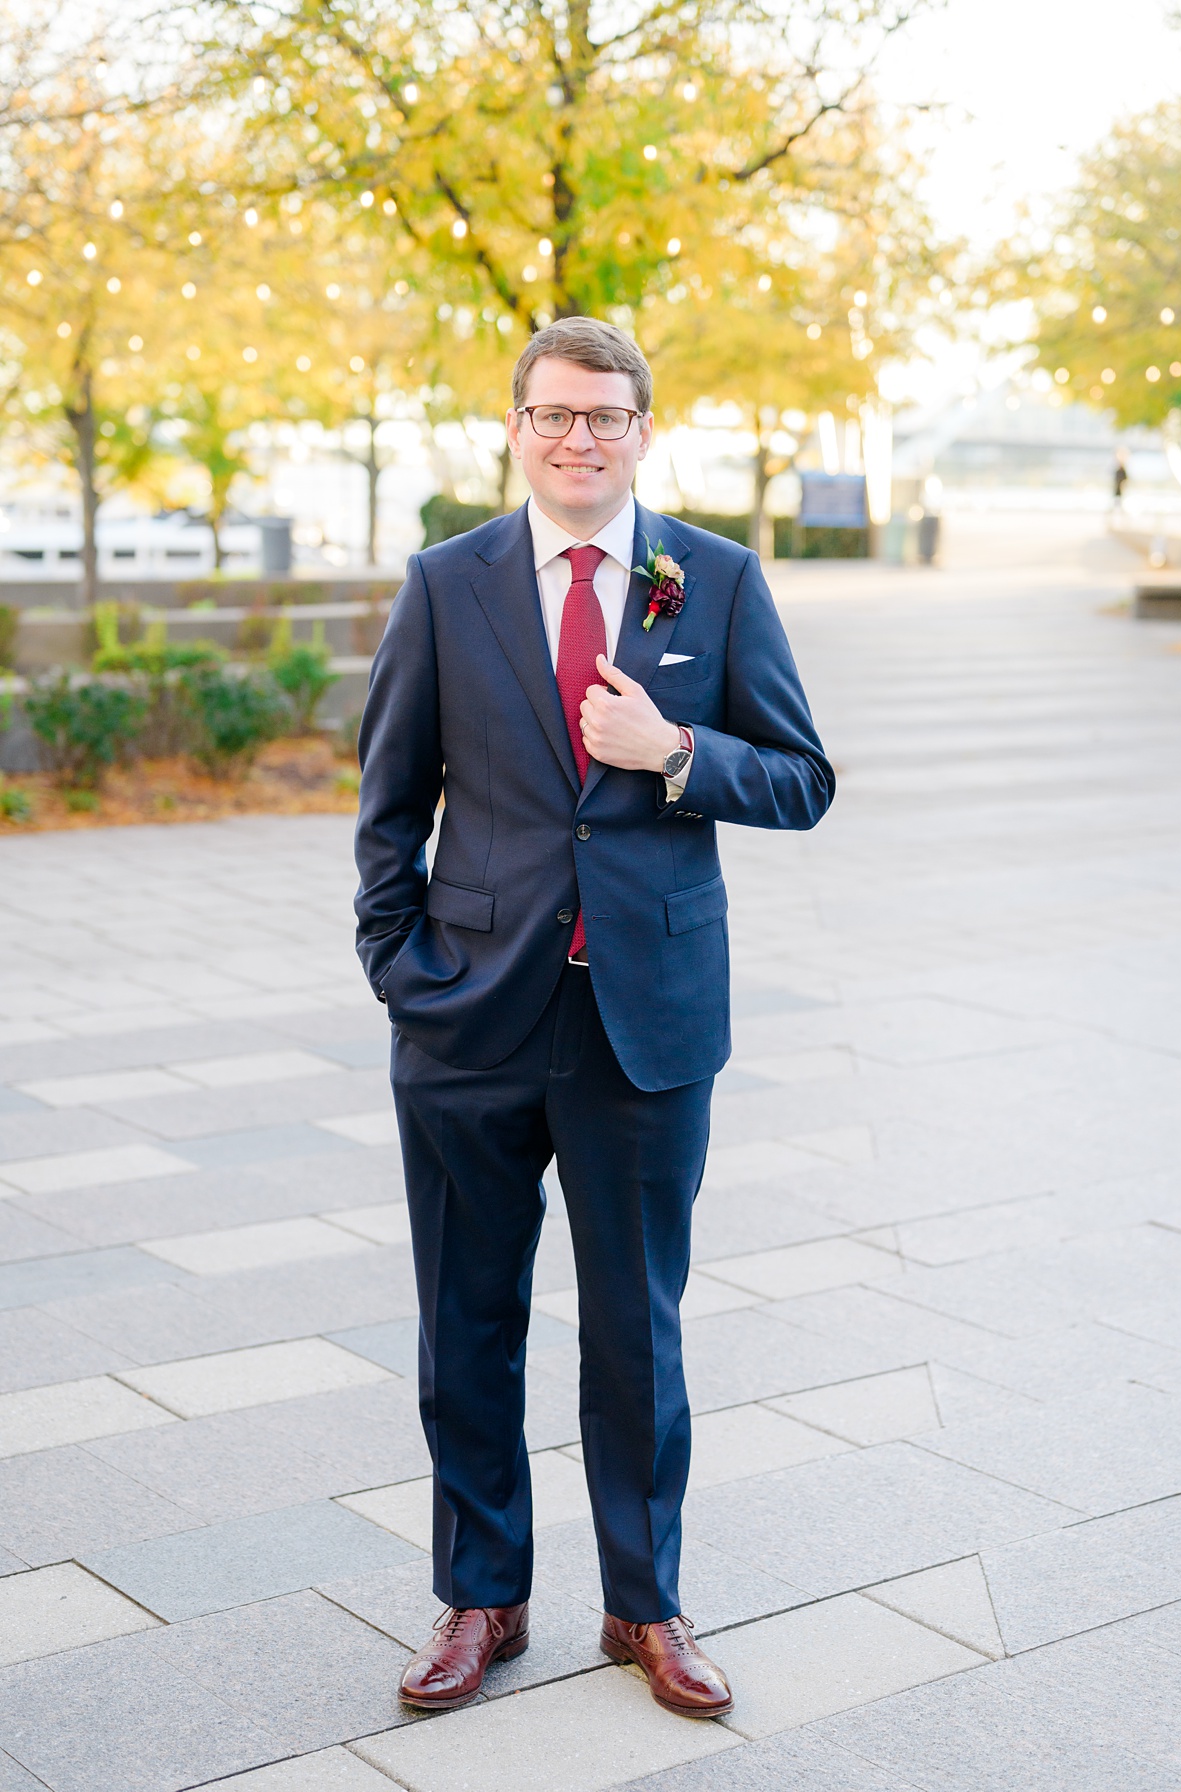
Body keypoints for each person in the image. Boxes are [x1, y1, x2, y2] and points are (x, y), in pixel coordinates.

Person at [352, 316, 835, 1718]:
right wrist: (400, 969)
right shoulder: (448, 585)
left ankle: (646, 1606)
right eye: (555, 415)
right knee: (468, 1323)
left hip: (646, 1023)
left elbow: (803, 778)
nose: (579, 439)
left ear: (640, 431)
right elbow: (389, 803)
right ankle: (481, 1600)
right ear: (517, 427)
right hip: (468, 1021)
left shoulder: (717, 581)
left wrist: (677, 752)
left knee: (638, 1329)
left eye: (605, 418)